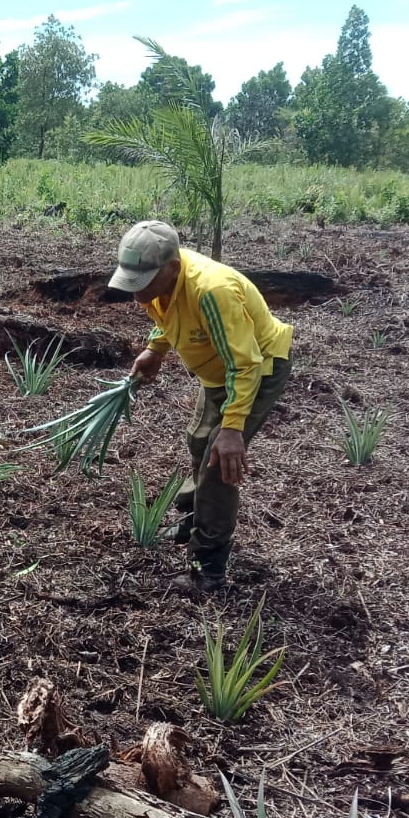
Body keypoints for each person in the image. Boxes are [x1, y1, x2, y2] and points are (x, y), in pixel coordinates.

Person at [108, 220, 294, 593]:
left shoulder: (212, 291)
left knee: (216, 462)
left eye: (143, 280)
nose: (135, 292)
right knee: (198, 441)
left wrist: (233, 428)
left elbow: (246, 364)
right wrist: (154, 349)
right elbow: (170, 312)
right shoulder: (163, 283)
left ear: (173, 267)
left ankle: (208, 568)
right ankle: (196, 519)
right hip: (219, 372)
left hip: (256, 370)